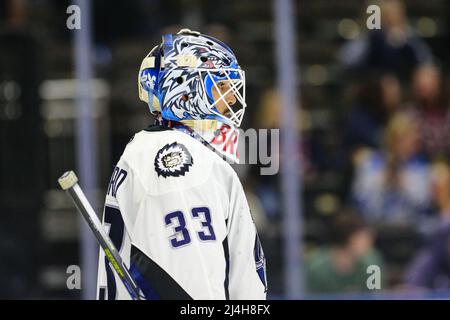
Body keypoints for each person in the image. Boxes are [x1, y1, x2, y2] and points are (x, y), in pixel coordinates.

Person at [96, 29, 267, 300]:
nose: (232, 99)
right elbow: (189, 289)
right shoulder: (177, 164)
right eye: (221, 85)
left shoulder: (156, 151)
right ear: (186, 92)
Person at [305, 212, 385, 294]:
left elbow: (377, 295)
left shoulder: (373, 263)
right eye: (364, 237)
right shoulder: (317, 267)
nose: (370, 241)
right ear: (349, 238)